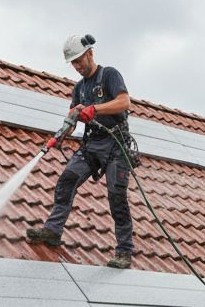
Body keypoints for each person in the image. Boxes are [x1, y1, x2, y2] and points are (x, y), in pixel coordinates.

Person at [26, 34, 135, 269]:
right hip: (92, 145)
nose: (76, 66)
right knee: (67, 180)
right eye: (73, 63)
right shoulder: (79, 87)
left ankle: (124, 252)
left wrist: (94, 109)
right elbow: (73, 117)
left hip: (117, 144)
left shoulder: (109, 75)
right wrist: (67, 124)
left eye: (79, 61)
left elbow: (124, 102)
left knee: (117, 197)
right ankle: (52, 231)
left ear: (90, 54)